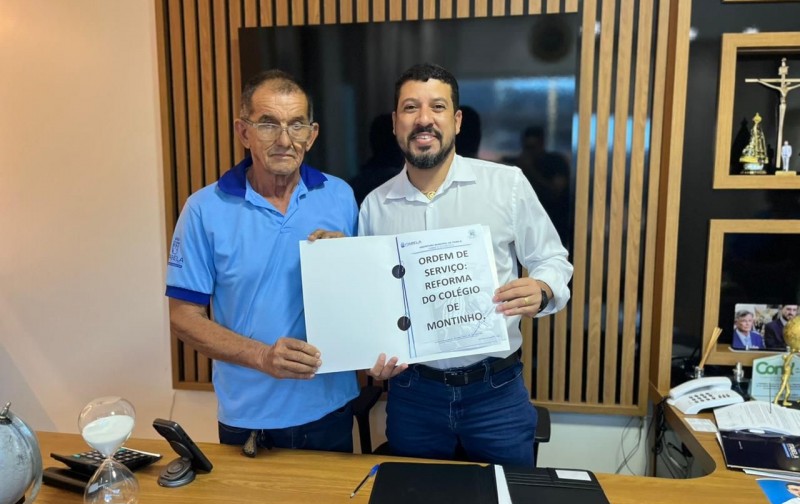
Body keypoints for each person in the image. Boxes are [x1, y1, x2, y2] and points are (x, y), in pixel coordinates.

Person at [360, 63, 573, 467]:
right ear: (395, 123)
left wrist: (542, 289)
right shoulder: (375, 206)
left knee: (509, 498)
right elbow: (373, 301)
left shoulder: (506, 185)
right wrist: (373, 352)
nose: (424, 119)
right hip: (414, 395)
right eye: (411, 108)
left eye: (437, 107)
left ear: (456, 121)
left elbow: (551, 258)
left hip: (496, 393)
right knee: (418, 501)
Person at [165, 70, 359, 453]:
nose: (285, 140)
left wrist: (348, 261)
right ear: (244, 132)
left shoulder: (340, 196)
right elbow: (183, 317)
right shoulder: (203, 209)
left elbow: (366, 298)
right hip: (249, 420)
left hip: (331, 409)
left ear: (312, 134)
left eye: (297, 125)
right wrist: (263, 357)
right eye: (269, 124)